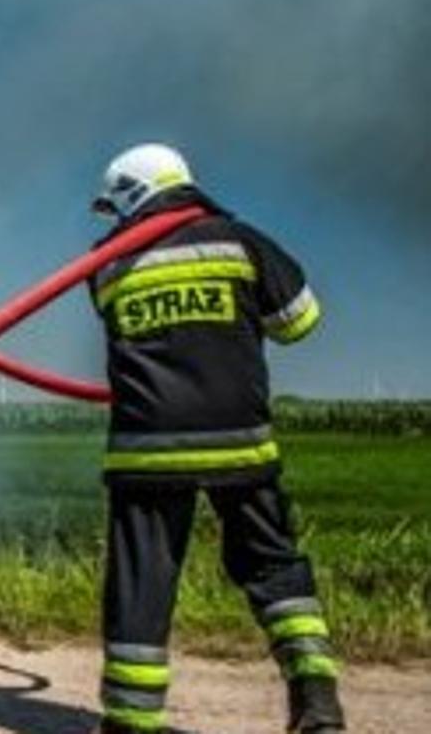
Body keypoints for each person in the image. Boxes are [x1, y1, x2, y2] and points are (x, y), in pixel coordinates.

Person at [85, 143, 343, 733]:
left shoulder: (106, 265)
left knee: (141, 583)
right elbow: (300, 323)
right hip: (240, 443)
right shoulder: (242, 242)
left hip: (147, 451)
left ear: (129, 197)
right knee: (272, 564)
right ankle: (316, 697)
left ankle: (129, 721)